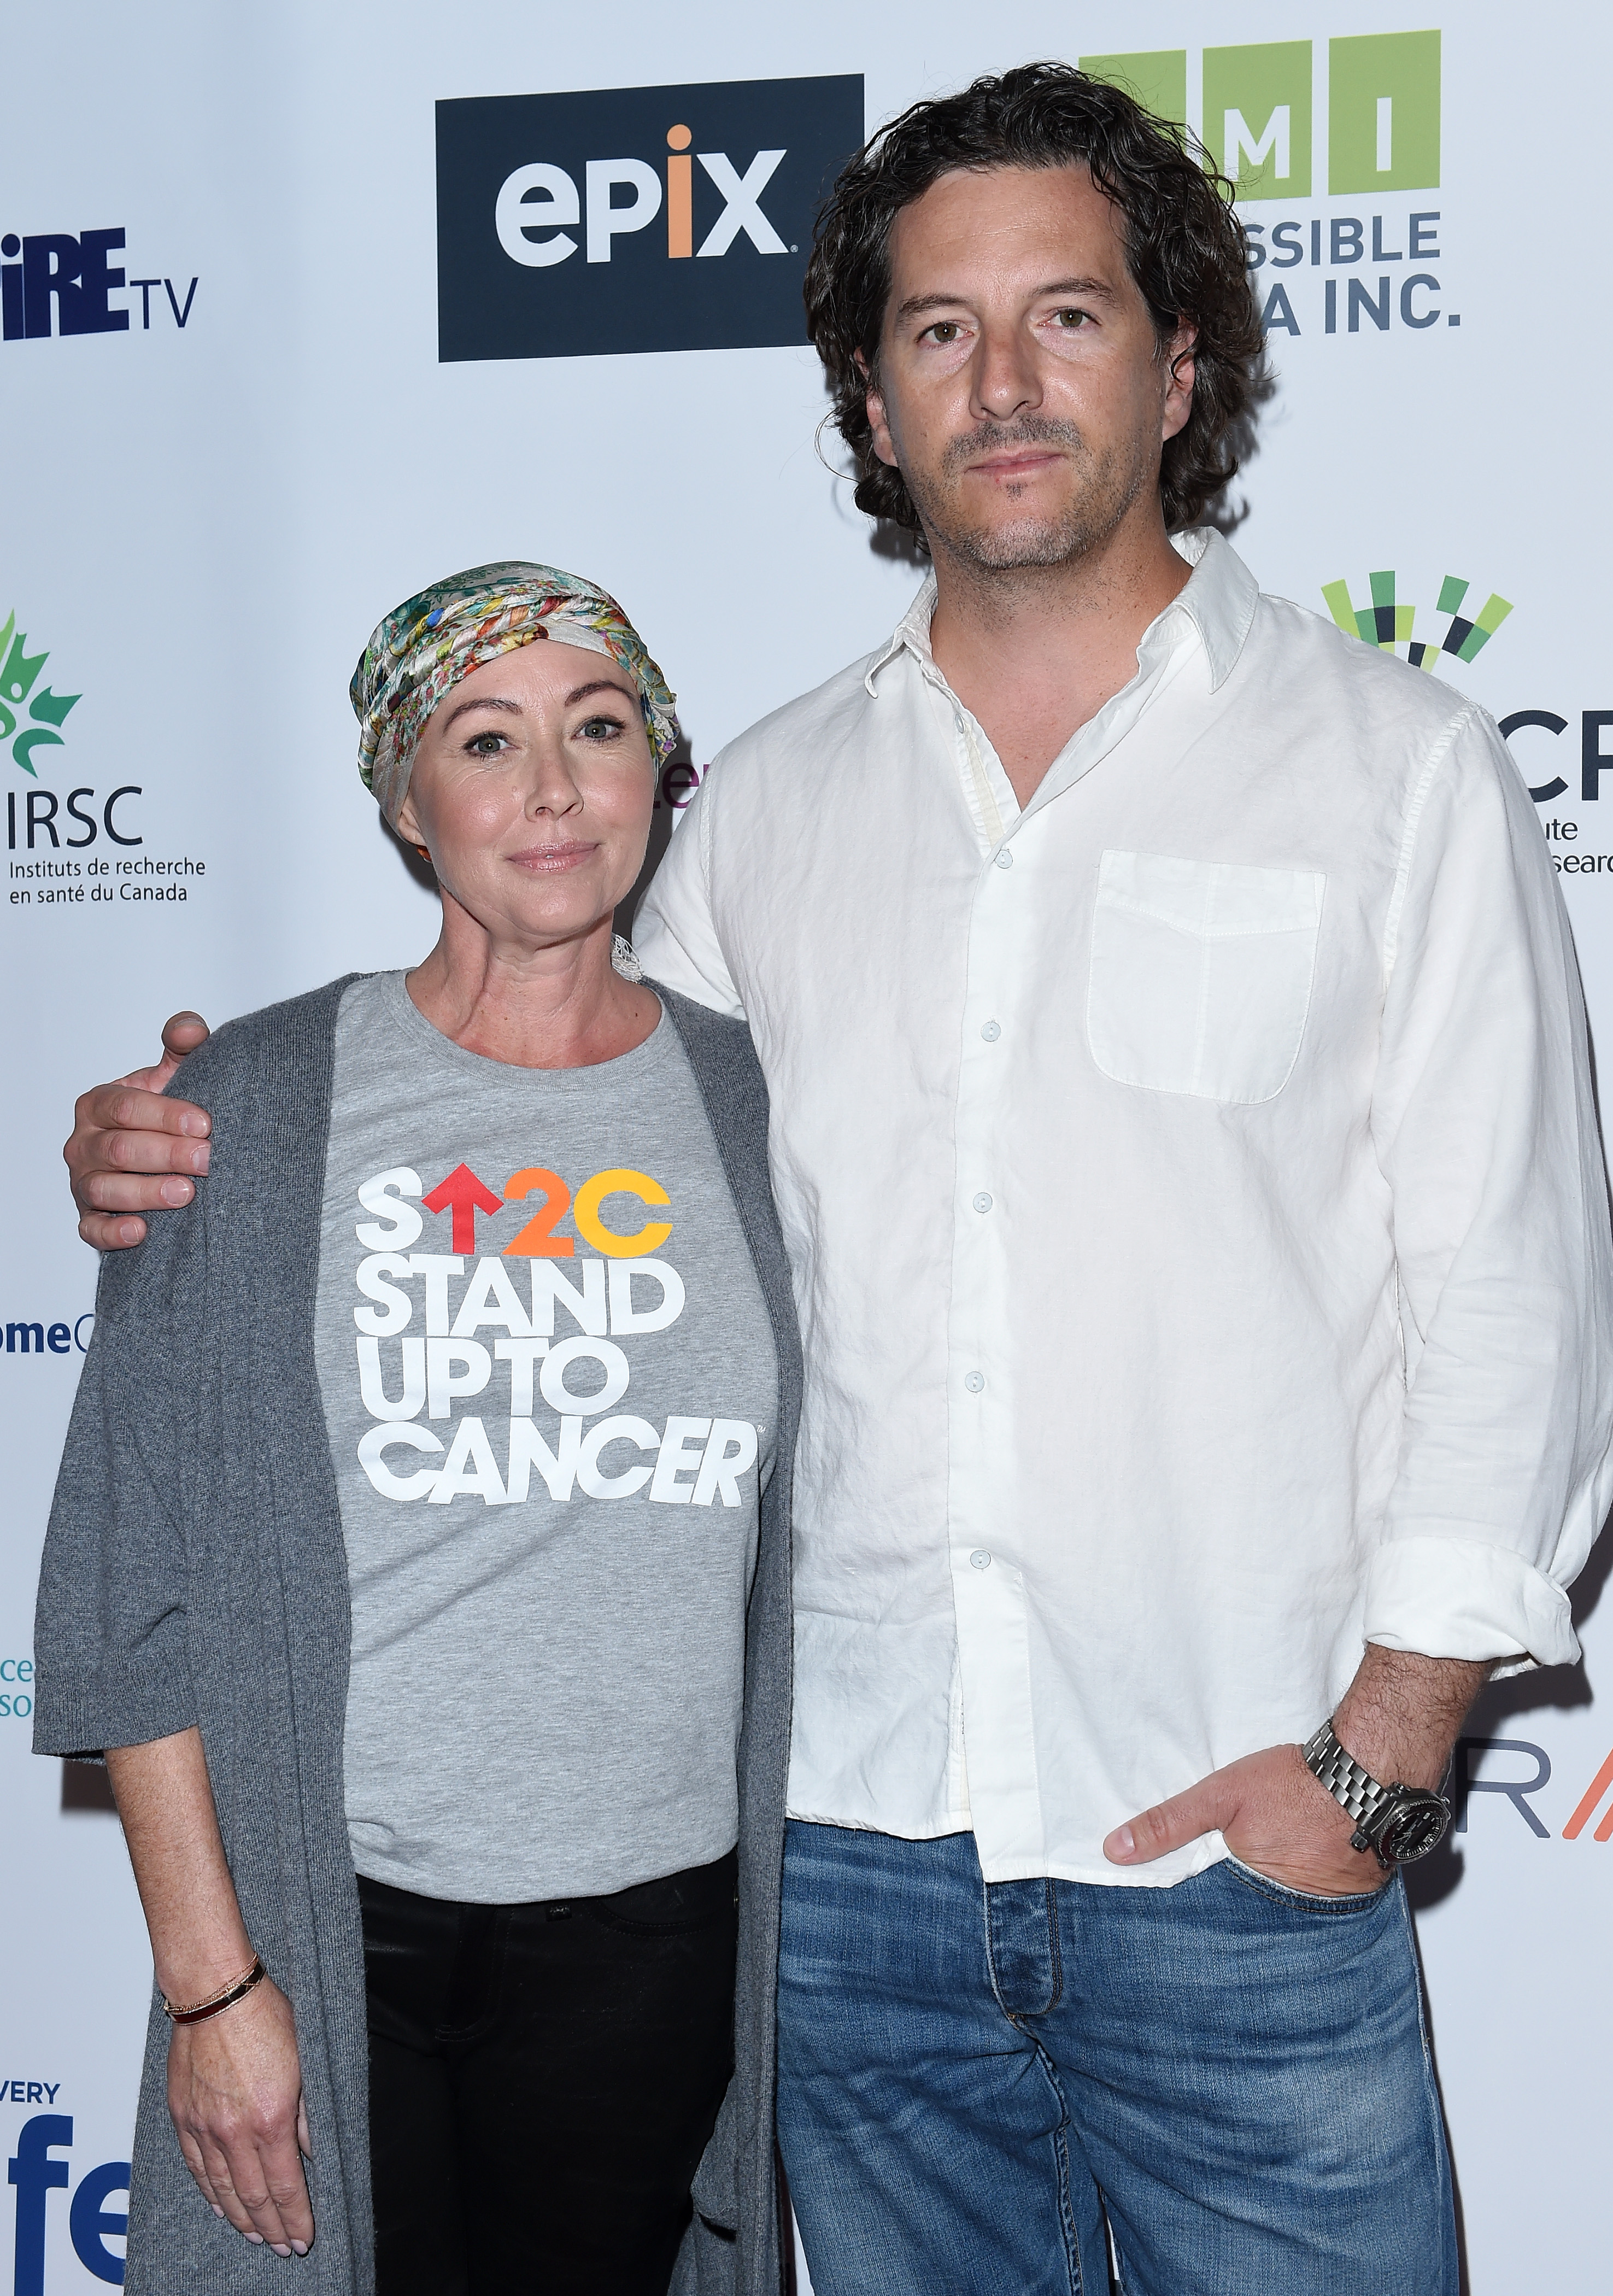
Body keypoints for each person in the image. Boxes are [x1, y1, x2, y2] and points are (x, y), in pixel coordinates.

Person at [60, 62, 1613, 2296]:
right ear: (871, 408)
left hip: (1234, 1867)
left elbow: (1520, 1303)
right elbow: (550, 1085)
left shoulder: (1395, 773)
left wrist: (1378, 1767)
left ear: (1179, 367)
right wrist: (204, 1133)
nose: (1001, 381)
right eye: (936, 331)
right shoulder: (764, 815)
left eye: (1066, 318)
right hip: (844, 1893)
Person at [36, 563, 802, 2296]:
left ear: (659, 770)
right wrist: (214, 1988)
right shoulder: (248, 1107)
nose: (552, 789)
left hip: (655, 1937)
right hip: (334, 1930)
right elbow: (125, 1594)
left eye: (599, 729)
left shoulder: (757, 1103)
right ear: (405, 796)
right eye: (486, 738)